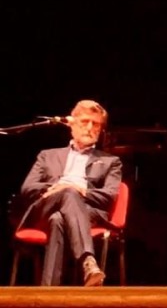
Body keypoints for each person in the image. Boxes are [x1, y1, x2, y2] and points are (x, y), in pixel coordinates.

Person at [18, 99, 122, 286]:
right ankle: (88, 261)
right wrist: (53, 189)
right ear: (71, 124)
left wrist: (80, 191)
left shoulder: (111, 161)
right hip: (46, 207)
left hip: (86, 212)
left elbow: (109, 196)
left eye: (95, 124)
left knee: (58, 218)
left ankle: (48, 292)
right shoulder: (47, 155)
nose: (89, 128)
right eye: (84, 121)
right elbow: (27, 188)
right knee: (67, 194)